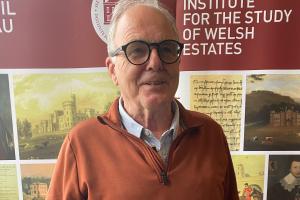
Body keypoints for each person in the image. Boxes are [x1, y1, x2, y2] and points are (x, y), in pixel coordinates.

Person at [47, 0, 238, 199]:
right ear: (113, 70)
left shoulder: (211, 135)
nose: (155, 63)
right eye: (137, 50)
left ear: (179, 61)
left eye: (166, 49)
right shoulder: (81, 144)